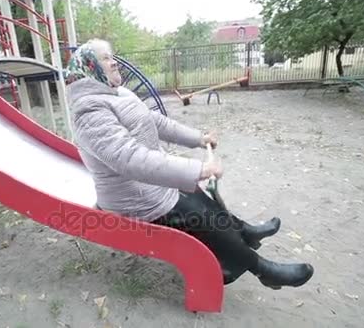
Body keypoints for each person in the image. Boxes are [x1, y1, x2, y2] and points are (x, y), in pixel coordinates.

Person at [65, 39, 314, 288]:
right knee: (204, 218)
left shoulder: (118, 93)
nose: (114, 62)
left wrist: (198, 138)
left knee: (204, 201)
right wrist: (199, 169)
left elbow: (156, 121)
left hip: (150, 186)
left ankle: (245, 232)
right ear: (89, 67)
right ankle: (261, 270)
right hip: (134, 199)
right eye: (106, 58)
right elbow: (130, 159)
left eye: (112, 55)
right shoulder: (89, 111)